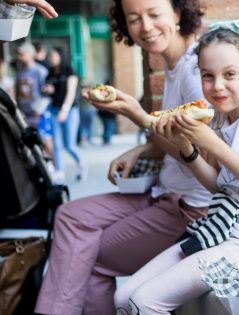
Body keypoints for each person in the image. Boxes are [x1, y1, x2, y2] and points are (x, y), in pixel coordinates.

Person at [34, 0, 210, 314]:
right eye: (134, 18)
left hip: (190, 207)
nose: (146, 26)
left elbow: (198, 156)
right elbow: (173, 137)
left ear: (179, 12)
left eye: (155, 14)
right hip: (162, 191)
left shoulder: (196, 70)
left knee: (88, 256)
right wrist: (142, 149)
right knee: (70, 216)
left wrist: (137, 115)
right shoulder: (174, 65)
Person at [114, 20, 239, 315]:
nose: (217, 85)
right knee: (123, 297)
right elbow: (218, 186)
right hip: (225, 227)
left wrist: (212, 143)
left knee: (144, 302)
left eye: (229, 74)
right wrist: (188, 148)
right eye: (208, 76)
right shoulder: (219, 117)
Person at [43, 46, 85, 182]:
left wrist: (65, 110)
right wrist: (47, 89)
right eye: (50, 56)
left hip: (70, 110)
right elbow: (47, 88)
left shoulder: (69, 71)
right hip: (54, 110)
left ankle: (81, 164)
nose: (51, 58)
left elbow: (71, 92)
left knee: (69, 144)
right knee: (56, 144)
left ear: (61, 56)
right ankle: (59, 172)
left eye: (54, 56)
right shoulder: (50, 72)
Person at [16, 42, 48, 126]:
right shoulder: (20, 72)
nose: (19, 57)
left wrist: (39, 109)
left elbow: (46, 93)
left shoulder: (40, 71)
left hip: (37, 114)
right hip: (23, 113)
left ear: (30, 55)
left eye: (21, 54)